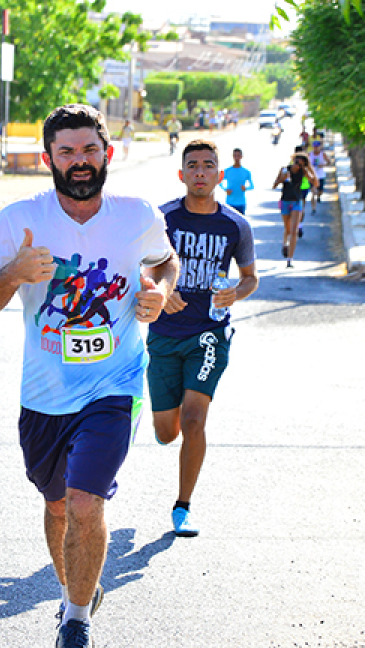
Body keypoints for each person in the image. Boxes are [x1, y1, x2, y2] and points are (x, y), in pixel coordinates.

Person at [0, 104, 179, 648]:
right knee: (58, 504)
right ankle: (73, 591)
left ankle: (76, 622)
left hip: (116, 384)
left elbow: (164, 260)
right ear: (48, 159)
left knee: (86, 502)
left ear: (107, 153)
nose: (79, 162)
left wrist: (156, 289)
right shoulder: (18, 220)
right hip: (43, 394)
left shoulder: (137, 215)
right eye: (66, 152)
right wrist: (15, 272)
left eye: (89, 150)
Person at [147, 139, 259, 537]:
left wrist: (235, 293)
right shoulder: (162, 219)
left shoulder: (234, 225)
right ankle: (151, 413)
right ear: (182, 174)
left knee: (194, 421)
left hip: (209, 334)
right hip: (164, 334)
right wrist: (162, 291)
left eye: (207, 165)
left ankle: (182, 507)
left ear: (219, 175)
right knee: (167, 432)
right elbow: (136, 269)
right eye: (192, 165)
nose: (200, 172)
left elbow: (250, 279)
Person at [273, 153, 317, 268]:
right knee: (287, 229)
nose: (298, 166)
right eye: (297, 162)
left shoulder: (304, 172)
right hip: (285, 202)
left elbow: (315, 183)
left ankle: (289, 259)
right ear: (293, 161)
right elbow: (274, 185)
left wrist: (310, 169)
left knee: (294, 231)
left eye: (301, 164)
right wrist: (282, 178)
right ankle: (285, 244)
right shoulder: (284, 170)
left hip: (297, 202)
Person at [220, 148, 254, 215]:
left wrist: (246, 188)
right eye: (235, 155)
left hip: (241, 202)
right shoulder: (227, 171)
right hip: (230, 202)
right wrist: (225, 189)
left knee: (240, 224)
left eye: (238, 156)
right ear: (232, 156)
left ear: (241, 157)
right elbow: (219, 181)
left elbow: (252, 186)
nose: (236, 158)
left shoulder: (246, 172)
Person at [307, 139, 332, 215]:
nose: (316, 148)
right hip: (312, 176)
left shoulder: (322, 154)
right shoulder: (309, 154)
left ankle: (319, 196)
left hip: (321, 175)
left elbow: (329, 162)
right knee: (313, 192)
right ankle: (313, 208)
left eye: (317, 147)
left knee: (320, 191)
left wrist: (323, 165)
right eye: (314, 147)